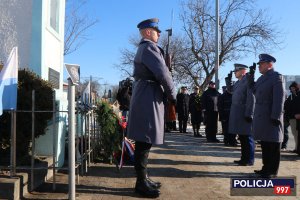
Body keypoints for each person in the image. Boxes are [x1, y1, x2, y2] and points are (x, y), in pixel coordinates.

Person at [127, 18, 176, 198]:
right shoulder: (149, 47)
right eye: (156, 31)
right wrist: (172, 94)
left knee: (144, 140)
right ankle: (140, 183)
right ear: (148, 32)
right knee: (144, 139)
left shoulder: (146, 47)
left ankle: (143, 178)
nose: (159, 33)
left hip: (147, 93)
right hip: (148, 94)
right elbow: (163, 73)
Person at [249, 54, 285, 178]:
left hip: (271, 116)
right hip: (262, 116)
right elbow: (254, 91)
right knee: (265, 144)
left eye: (261, 64)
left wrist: (275, 116)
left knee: (273, 145)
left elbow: (279, 98)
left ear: (270, 64)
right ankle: (265, 168)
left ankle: (272, 171)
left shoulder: (276, 77)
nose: (259, 66)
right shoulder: (261, 79)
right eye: (259, 64)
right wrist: (251, 76)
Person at [228, 64, 255, 166]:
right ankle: (244, 158)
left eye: (236, 71)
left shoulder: (248, 80)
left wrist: (249, 113)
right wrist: (228, 79)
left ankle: (249, 160)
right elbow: (230, 90)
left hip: (245, 113)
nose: (235, 72)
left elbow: (251, 98)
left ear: (243, 71)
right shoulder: (239, 82)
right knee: (242, 138)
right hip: (239, 113)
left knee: (248, 137)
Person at [284, 81, 299, 152]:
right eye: (291, 88)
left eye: (294, 88)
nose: (292, 89)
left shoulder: (298, 96)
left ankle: (297, 148)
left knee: (296, 133)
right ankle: (297, 148)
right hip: (291, 117)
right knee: (294, 133)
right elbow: (286, 106)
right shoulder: (291, 96)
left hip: (296, 118)